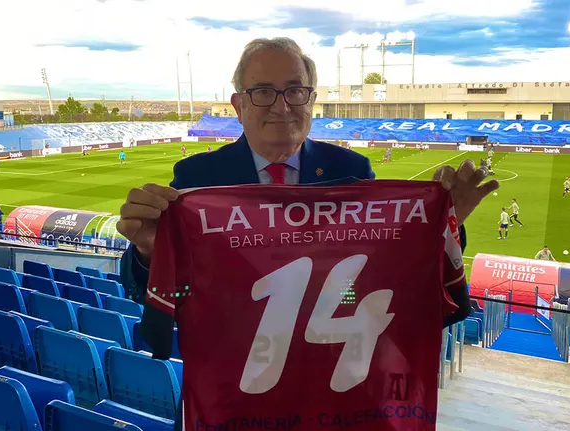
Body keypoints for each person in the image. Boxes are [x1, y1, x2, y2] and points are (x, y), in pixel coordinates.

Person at [116, 36, 498, 431]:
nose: (282, 106)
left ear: (311, 99)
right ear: (239, 104)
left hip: (331, 392)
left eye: (295, 90)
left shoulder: (351, 171)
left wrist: (446, 225)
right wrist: (148, 254)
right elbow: (172, 294)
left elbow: (380, 280)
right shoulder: (196, 181)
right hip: (233, 394)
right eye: (263, 91)